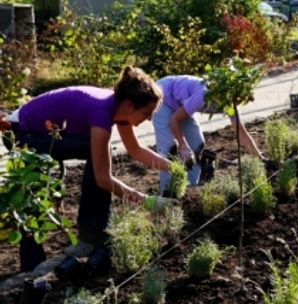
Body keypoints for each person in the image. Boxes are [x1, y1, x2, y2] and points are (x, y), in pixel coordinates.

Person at [0, 66, 172, 271]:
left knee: (98, 152)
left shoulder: (119, 109)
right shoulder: (102, 113)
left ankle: (92, 232)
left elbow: (135, 150)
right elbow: (103, 178)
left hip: (40, 130)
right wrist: (147, 201)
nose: (150, 119)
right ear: (130, 105)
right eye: (147, 113)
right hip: (23, 132)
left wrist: (175, 168)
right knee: (29, 192)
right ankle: (34, 266)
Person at [152, 75, 263, 193]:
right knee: (169, 149)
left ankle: (189, 189)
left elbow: (241, 133)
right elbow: (174, 120)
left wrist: (260, 159)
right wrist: (182, 145)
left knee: (197, 144)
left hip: (180, 103)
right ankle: (167, 194)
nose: (238, 103)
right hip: (163, 97)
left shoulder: (229, 103)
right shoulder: (203, 96)